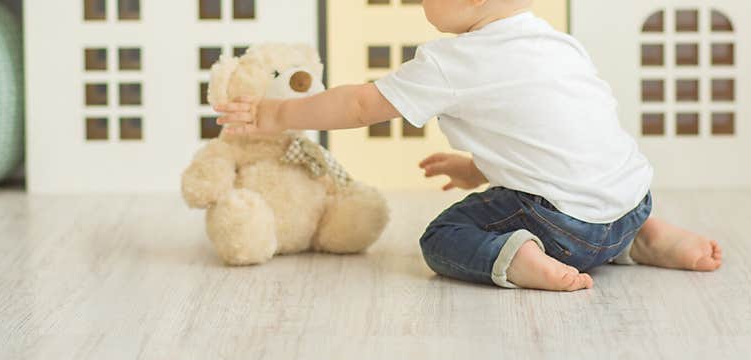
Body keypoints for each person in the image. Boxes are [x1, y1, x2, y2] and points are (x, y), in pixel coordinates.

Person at [214, 0, 723, 292]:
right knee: (598, 187)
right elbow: (554, 138)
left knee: (443, 233)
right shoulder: (554, 42)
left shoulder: (451, 62)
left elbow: (359, 107)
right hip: (632, 201)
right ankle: (647, 237)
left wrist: (276, 113)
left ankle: (520, 258)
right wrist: (478, 167)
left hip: (568, 229)